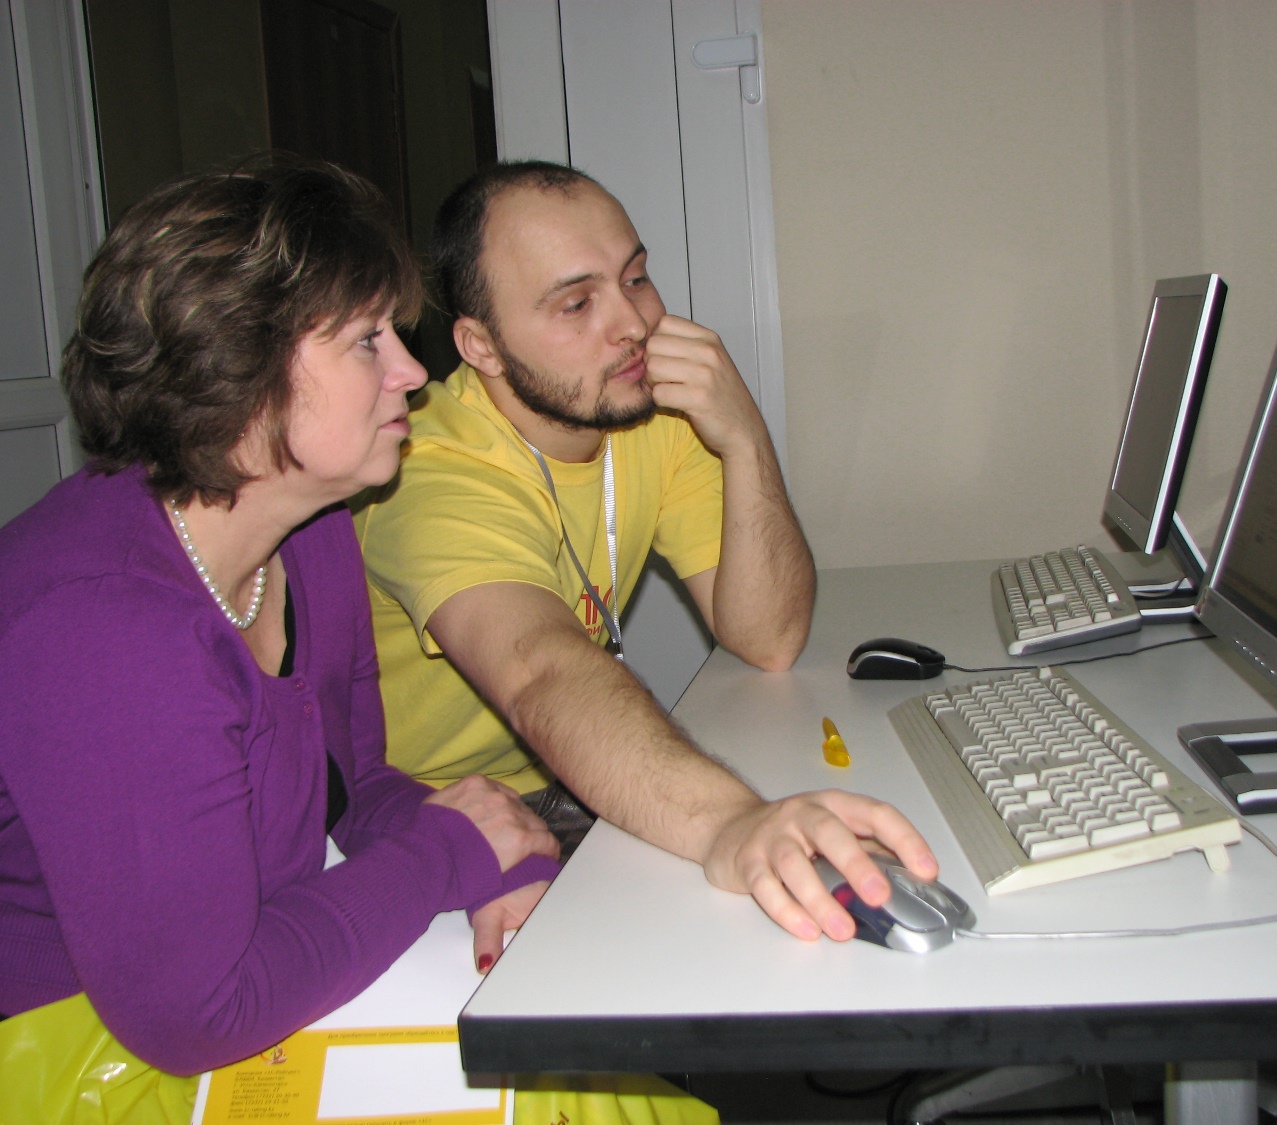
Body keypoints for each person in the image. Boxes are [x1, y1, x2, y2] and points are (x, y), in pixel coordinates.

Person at [0, 160, 560, 1078]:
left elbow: (356, 786)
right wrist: (444, 852)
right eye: (367, 340)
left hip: (223, 992)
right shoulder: (107, 634)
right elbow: (197, 1014)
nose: (414, 372)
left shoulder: (310, 535)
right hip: (62, 1054)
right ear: (238, 372)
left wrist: (502, 855)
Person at [355, 161, 938, 944]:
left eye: (635, 278)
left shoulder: (642, 406)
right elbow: (539, 671)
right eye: (576, 303)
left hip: (563, 778)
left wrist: (744, 437)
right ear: (481, 347)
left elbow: (768, 636)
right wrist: (733, 824)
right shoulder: (426, 470)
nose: (632, 323)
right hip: (422, 811)